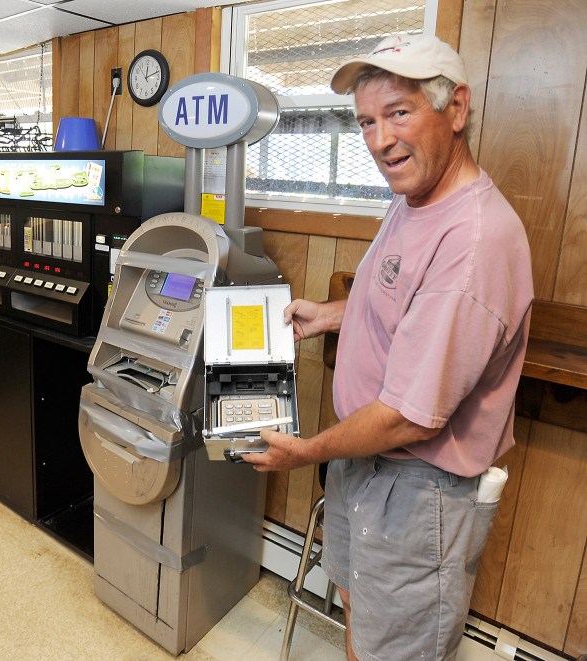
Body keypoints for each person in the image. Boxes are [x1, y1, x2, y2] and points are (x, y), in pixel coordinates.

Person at [242, 33, 534, 660]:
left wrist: (306, 453)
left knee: (397, 648)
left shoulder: (475, 243)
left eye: (399, 113)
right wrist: (329, 315)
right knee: (361, 609)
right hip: (367, 463)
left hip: (415, 485)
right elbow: (400, 302)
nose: (379, 141)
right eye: (367, 122)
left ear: (455, 109)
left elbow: (408, 413)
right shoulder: (416, 199)